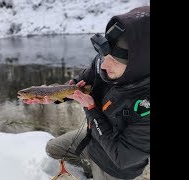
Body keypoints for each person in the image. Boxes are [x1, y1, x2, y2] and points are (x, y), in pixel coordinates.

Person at [23, 6, 150, 180]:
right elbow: (81, 83)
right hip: (93, 140)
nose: (103, 65)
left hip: (115, 166)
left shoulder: (146, 105)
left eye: (112, 60)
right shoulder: (105, 61)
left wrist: (91, 108)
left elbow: (123, 158)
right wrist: (53, 96)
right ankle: (85, 171)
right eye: (104, 56)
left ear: (139, 64)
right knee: (52, 149)